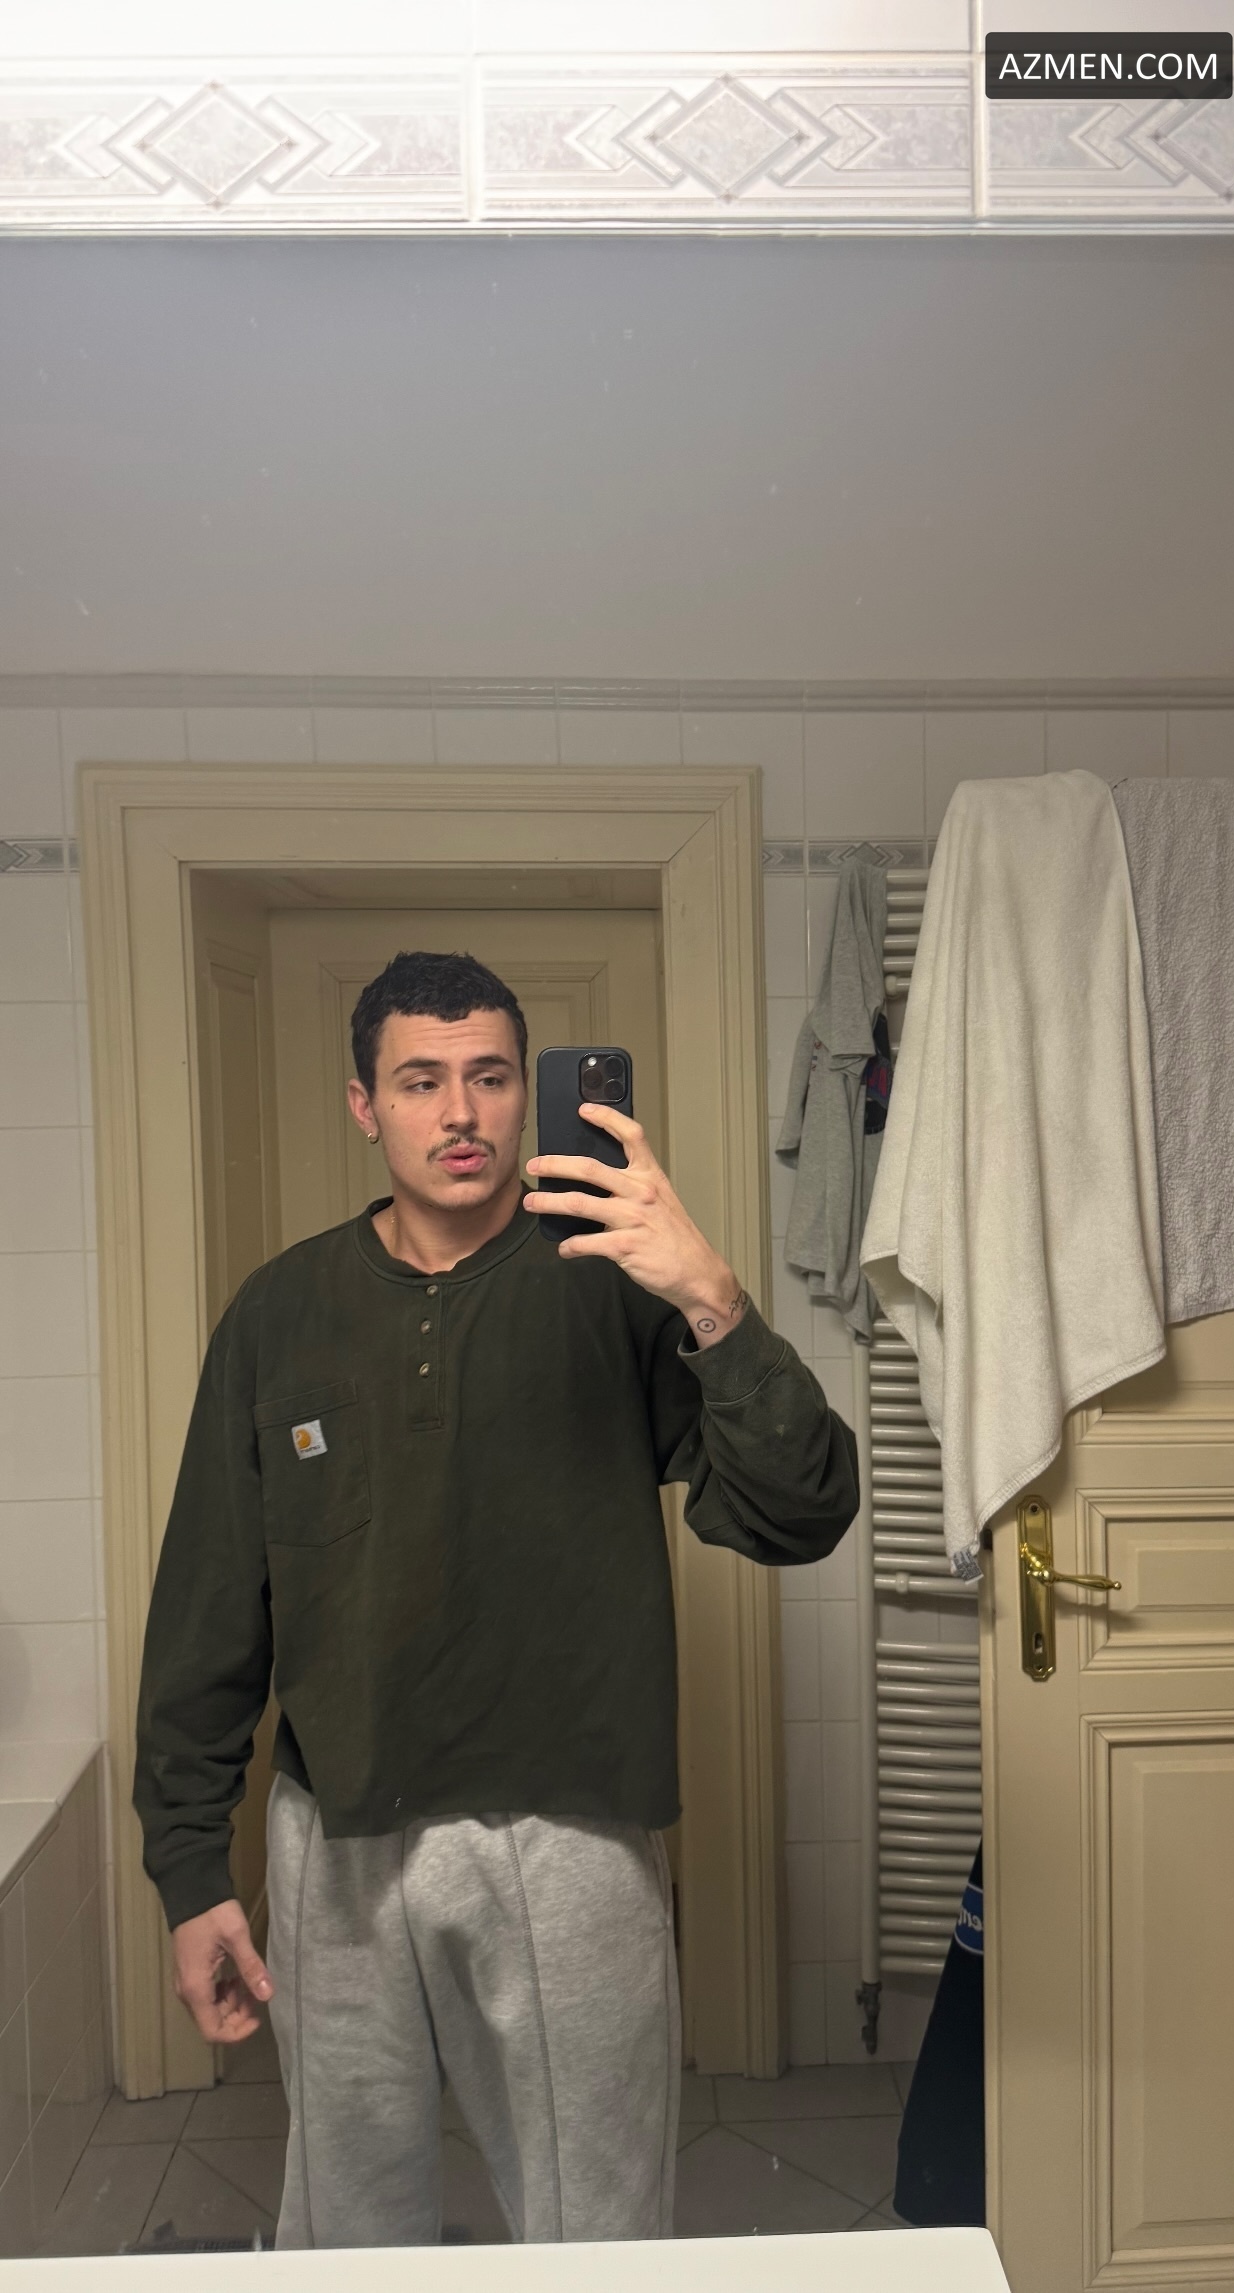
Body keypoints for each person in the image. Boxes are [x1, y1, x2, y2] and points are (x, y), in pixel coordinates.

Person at [134, 950, 860, 2251]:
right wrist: (191, 1870)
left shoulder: (614, 1280)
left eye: (490, 1077)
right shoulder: (279, 1312)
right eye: (421, 1081)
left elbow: (801, 1512)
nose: (461, 1113)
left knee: (596, 2228)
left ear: (529, 1091)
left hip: (569, 1827)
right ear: (364, 1105)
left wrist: (710, 1296)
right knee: (347, 2228)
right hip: (338, 1833)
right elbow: (208, 1608)